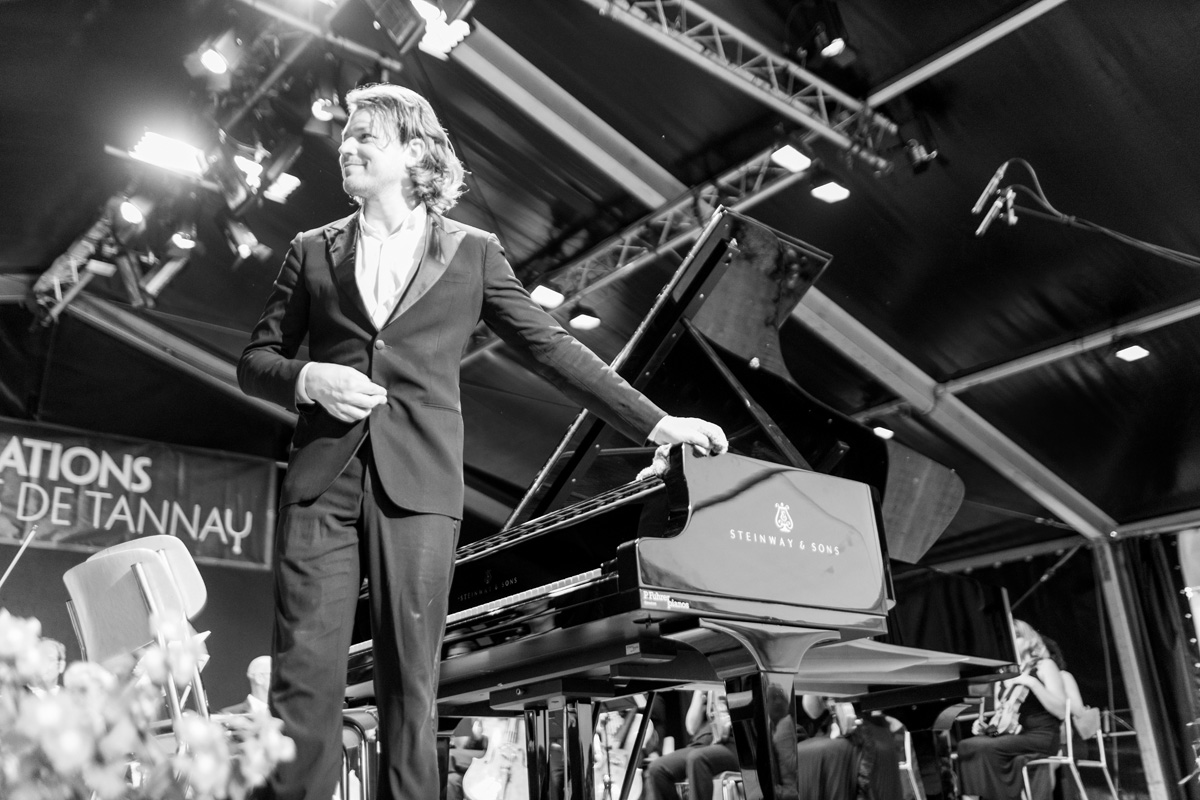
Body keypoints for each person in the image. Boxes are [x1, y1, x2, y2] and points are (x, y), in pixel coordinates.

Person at [237, 82, 728, 800]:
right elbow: (255, 362)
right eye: (344, 135)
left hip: (419, 487)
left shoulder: (472, 252)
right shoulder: (311, 250)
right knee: (302, 687)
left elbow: (552, 348)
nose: (346, 145)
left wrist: (658, 423)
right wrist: (309, 377)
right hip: (322, 486)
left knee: (411, 690)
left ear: (414, 150)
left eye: (365, 134)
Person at [957, 620, 1066, 800]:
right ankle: (976, 796)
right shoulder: (1003, 675)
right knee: (966, 746)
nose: (1010, 642)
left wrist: (1032, 682)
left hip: (1041, 735)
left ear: (1030, 640)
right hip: (1014, 735)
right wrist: (986, 727)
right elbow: (1004, 716)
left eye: (1016, 636)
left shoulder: (1045, 666)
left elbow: (1061, 711)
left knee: (984, 747)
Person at [642, 689, 740, 800]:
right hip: (701, 743)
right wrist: (700, 691)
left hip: (732, 743)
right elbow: (691, 728)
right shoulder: (708, 688)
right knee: (657, 769)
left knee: (697, 759)